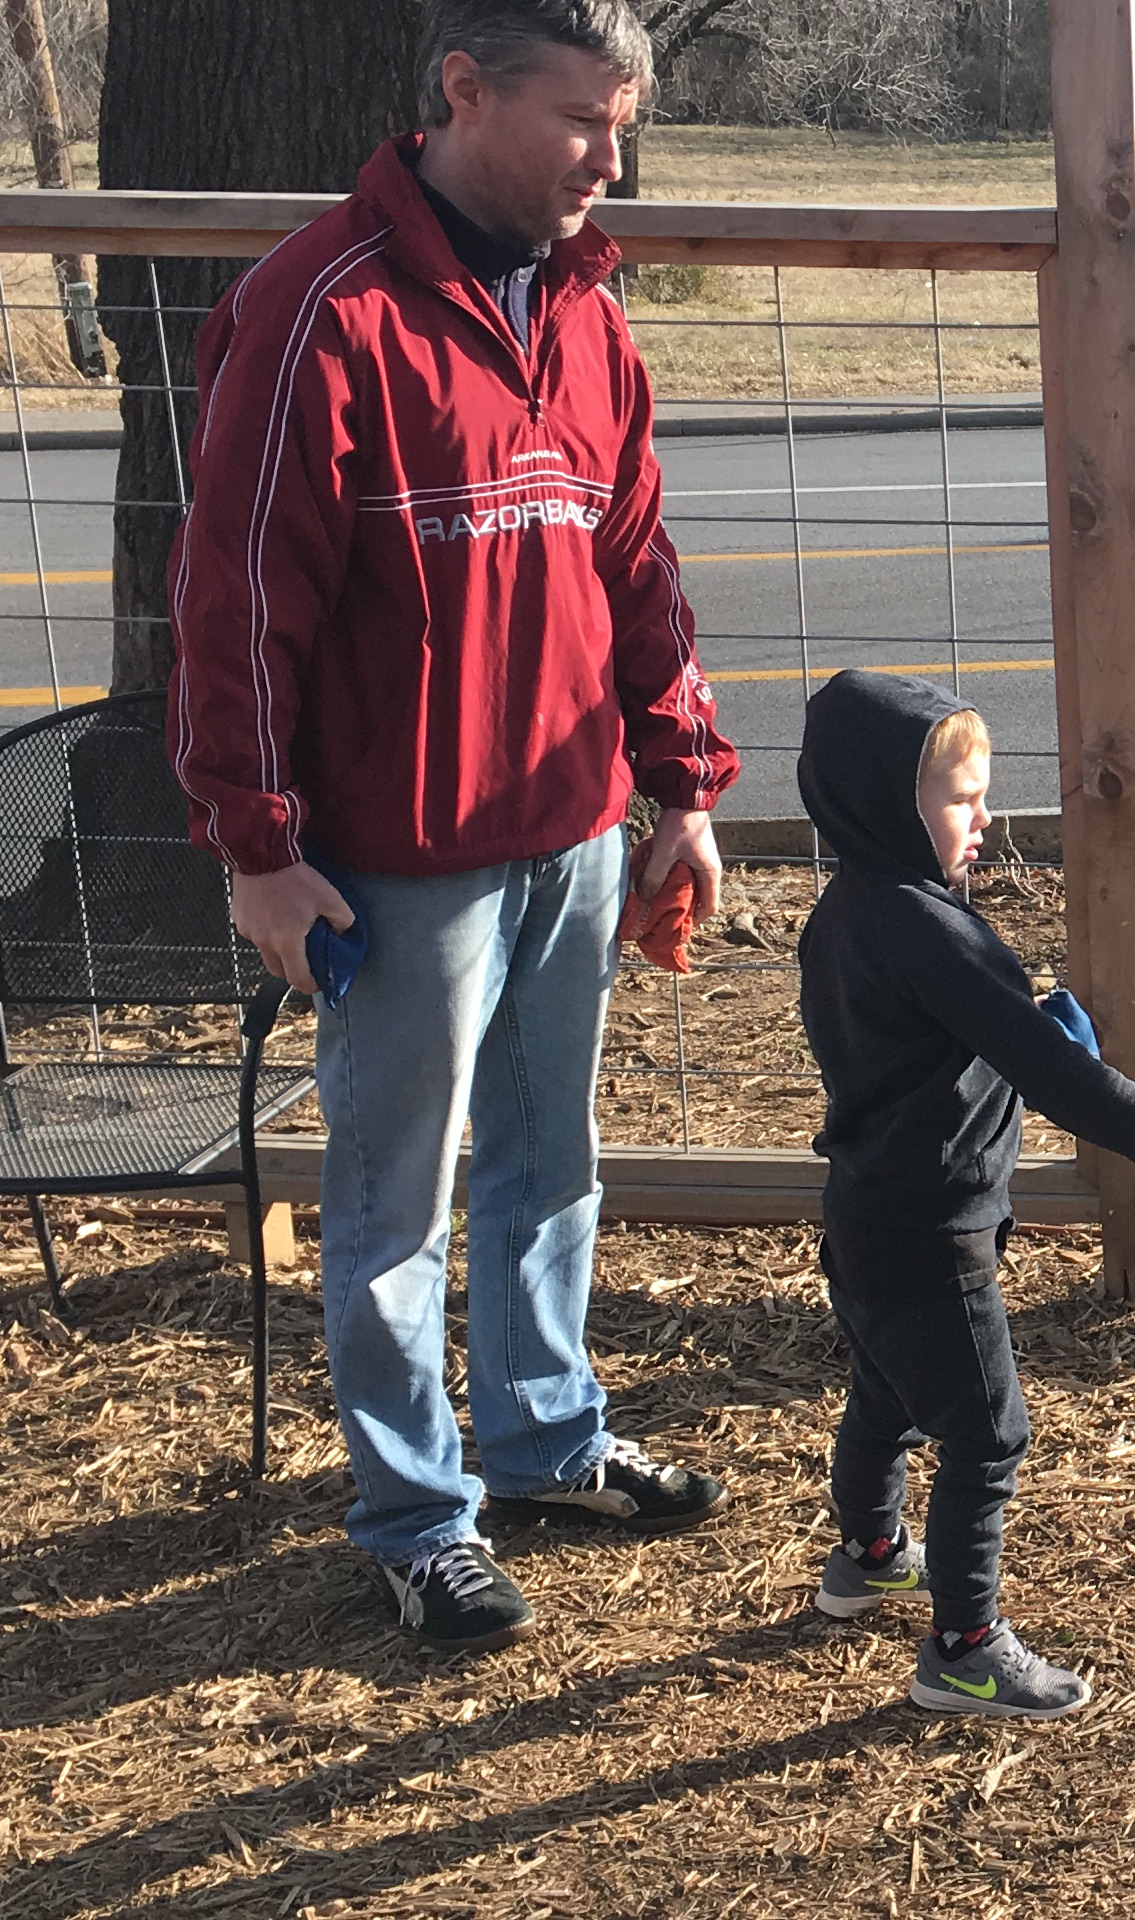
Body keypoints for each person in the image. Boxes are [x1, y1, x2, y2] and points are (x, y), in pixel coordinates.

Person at [165, 0, 733, 1654]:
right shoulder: (317, 315)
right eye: (578, 123)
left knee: (551, 1161)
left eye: (622, 126)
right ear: (464, 91)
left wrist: (678, 781)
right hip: (392, 865)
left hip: (567, 833)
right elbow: (231, 600)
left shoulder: (586, 318)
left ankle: (548, 1439)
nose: (607, 161)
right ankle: (419, 1515)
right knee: (391, 1202)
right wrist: (258, 843)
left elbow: (637, 562)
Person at [792, 670, 1135, 1718]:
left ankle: (869, 1555)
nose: (984, 818)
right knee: (986, 1434)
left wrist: (998, 1034)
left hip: (865, 1213)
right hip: (934, 1231)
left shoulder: (841, 915)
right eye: (959, 798)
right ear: (885, 802)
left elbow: (918, 1046)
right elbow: (1061, 1079)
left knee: (886, 1392)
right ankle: (963, 1650)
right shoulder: (937, 933)